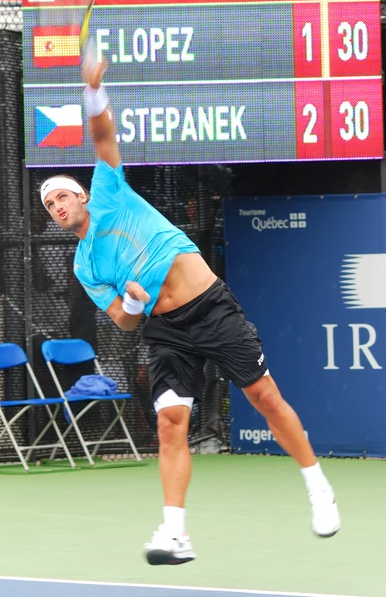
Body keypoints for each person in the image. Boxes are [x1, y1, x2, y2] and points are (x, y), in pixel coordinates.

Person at [39, 58, 341, 566]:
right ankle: (175, 534)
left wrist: (94, 91)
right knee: (171, 423)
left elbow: (102, 133)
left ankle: (318, 487)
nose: (57, 206)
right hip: (165, 329)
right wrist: (134, 302)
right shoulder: (85, 264)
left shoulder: (111, 190)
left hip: (210, 307)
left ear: (83, 194)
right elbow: (122, 321)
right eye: (49, 205)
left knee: (264, 397)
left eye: (63, 196)